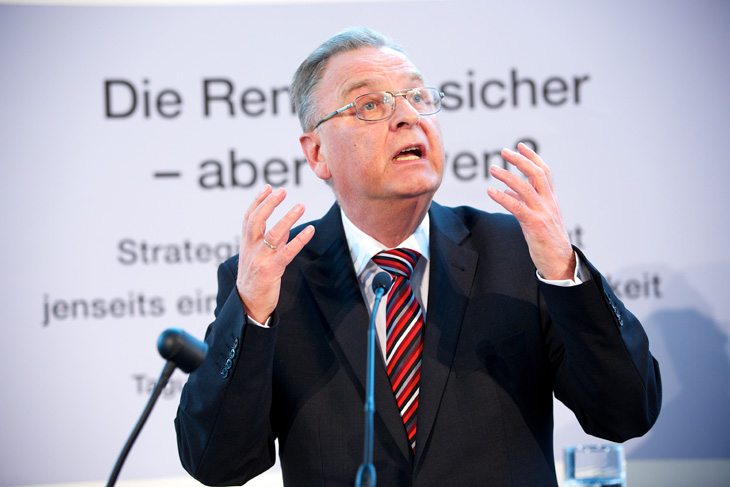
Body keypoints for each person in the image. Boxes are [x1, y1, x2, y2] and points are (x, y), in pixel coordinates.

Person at [175, 27, 661, 487]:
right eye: (370, 104)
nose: (408, 116)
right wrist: (252, 315)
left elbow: (626, 414)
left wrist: (564, 273)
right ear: (317, 152)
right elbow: (218, 463)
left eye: (418, 97)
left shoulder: (517, 252)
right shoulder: (278, 280)